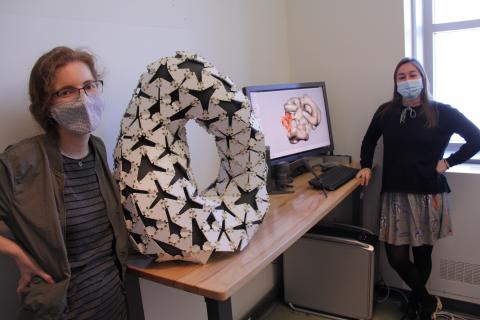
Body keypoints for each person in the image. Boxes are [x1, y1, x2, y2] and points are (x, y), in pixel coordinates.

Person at [0, 47, 129, 319]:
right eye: (66, 91)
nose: (83, 98)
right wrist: (17, 254)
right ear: (47, 105)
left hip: (114, 305)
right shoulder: (22, 160)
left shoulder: (98, 148)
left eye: (89, 86)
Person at [356, 57, 480, 320]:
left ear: (423, 79)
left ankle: (416, 306)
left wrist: (448, 162)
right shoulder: (386, 112)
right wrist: (366, 165)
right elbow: (369, 140)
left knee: (422, 255)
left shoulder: (442, 112)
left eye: (413, 74)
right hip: (395, 196)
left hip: (428, 195)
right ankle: (427, 300)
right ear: (395, 82)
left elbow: (476, 138)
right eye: (401, 76)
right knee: (397, 258)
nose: (408, 80)